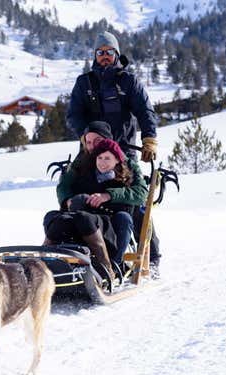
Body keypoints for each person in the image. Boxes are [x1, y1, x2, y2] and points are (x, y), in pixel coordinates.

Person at [66, 34, 162, 272]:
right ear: (95, 56)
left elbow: (145, 111)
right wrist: (84, 136)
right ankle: (80, 250)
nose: (105, 56)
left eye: (110, 52)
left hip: (123, 153)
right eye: (100, 52)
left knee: (134, 204)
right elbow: (73, 115)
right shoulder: (84, 83)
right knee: (83, 200)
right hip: (92, 153)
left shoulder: (128, 81)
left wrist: (149, 139)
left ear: (117, 55)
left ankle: (152, 256)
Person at [43, 138, 147, 281]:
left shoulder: (124, 180)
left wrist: (108, 196)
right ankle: (46, 263)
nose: (102, 162)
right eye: (99, 158)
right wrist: (75, 200)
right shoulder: (86, 176)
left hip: (108, 226)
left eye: (107, 158)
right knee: (54, 217)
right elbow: (70, 193)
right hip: (82, 221)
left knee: (86, 218)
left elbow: (139, 196)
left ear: (117, 160)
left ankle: (109, 267)